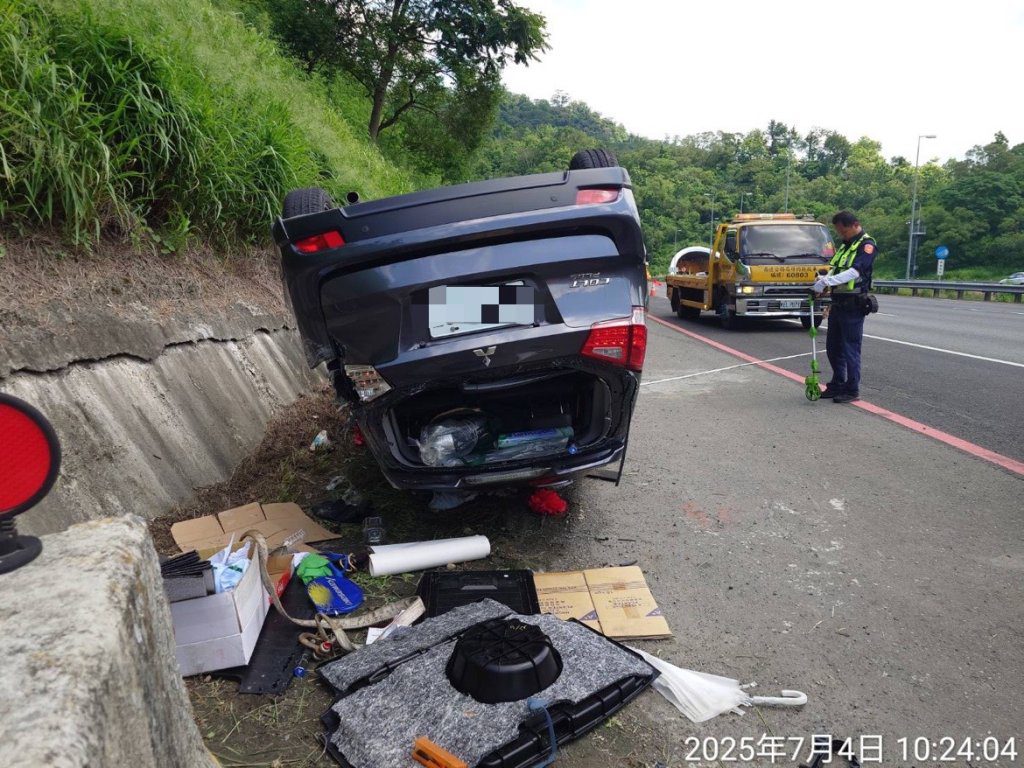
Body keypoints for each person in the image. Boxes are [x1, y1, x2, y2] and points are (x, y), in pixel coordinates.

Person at [813, 210, 877, 403]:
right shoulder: (845, 246)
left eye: (843, 231)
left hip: (853, 305)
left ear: (854, 225)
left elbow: (855, 272)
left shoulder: (867, 246)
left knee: (850, 348)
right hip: (838, 303)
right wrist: (821, 282)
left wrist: (827, 282)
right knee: (833, 347)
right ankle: (837, 384)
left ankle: (852, 389)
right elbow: (835, 268)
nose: (841, 235)